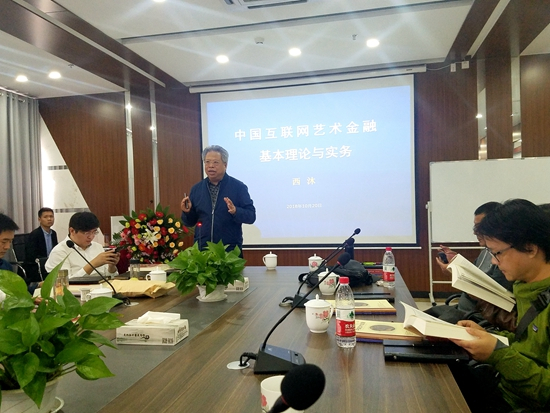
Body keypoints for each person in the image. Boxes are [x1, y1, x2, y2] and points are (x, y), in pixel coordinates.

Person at [450, 199, 550, 412]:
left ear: (530, 248)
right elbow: (528, 345)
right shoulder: (528, 287)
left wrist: (497, 354)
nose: (494, 262)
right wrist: (488, 337)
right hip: (506, 391)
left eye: (497, 253)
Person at [425, 202, 512, 323]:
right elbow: (474, 274)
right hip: (462, 309)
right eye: (475, 227)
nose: (475, 232)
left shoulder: (504, 259)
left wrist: (454, 274)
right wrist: (456, 262)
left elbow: (491, 297)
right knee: (418, 317)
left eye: (480, 227)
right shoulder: (485, 252)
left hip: (475, 316)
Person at [180, 145, 256, 253]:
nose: (211, 166)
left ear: (225, 165)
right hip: (203, 251)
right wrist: (187, 212)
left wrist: (235, 211)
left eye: (215, 162)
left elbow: (251, 216)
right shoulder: (197, 189)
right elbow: (189, 222)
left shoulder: (238, 187)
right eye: (207, 162)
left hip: (229, 252)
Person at [45, 212, 119, 279]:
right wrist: (93, 264)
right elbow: (65, 283)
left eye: (94, 232)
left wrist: (111, 266)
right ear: (72, 231)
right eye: (87, 233)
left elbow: (111, 278)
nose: (91, 236)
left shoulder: (98, 247)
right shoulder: (59, 251)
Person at [25, 207, 58, 282]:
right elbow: (31, 255)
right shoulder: (34, 234)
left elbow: (55, 250)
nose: (49, 219)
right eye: (45, 217)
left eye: (51, 216)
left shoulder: (53, 233)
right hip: (36, 266)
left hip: (50, 264)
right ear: (39, 219)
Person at [0, 213, 20, 302]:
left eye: (10, 242)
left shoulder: (5, 266)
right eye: (4, 242)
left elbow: (16, 291)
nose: (7, 247)